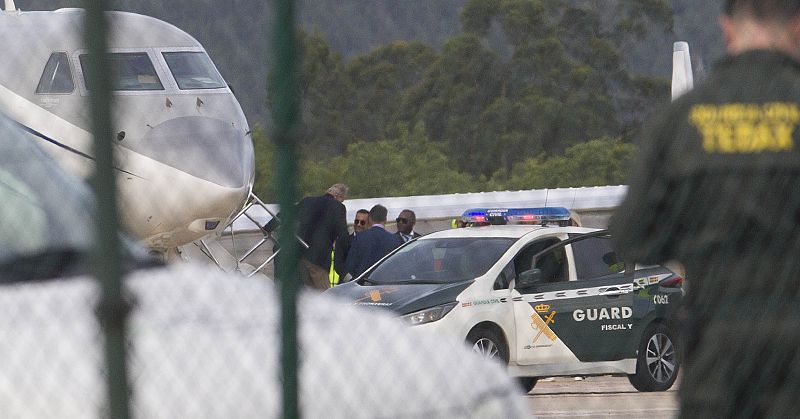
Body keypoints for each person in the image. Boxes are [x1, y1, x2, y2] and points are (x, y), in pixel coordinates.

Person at [610, 1, 800, 417]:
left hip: (718, 350)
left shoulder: (681, 122)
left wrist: (699, 229)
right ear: (798, 28)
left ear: (727, 30)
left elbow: (631, 236)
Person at [296, 183, 349, 290]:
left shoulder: (307, 201)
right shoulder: (338, 207)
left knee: (306, 295)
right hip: (319, 258)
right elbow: (342, 233)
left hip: (299, 255)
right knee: (324, 294)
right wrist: (348, 253)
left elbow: (285, 213)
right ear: (340, 197)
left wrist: (267, 227)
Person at [345, 204, 403, 279]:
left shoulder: (359, 238)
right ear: (385, 219)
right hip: (384, 284)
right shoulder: (395, 240)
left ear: (369, 219)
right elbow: (397, 266)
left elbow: (350, 265)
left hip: (363, 283)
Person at [333, 208, 369, 283]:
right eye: (356, 221)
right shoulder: (343, 241)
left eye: (362, 222)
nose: (358, 224)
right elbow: (338, 264)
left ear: (368, 224)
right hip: (346, 284)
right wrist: (350, 279)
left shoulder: (371, 242)